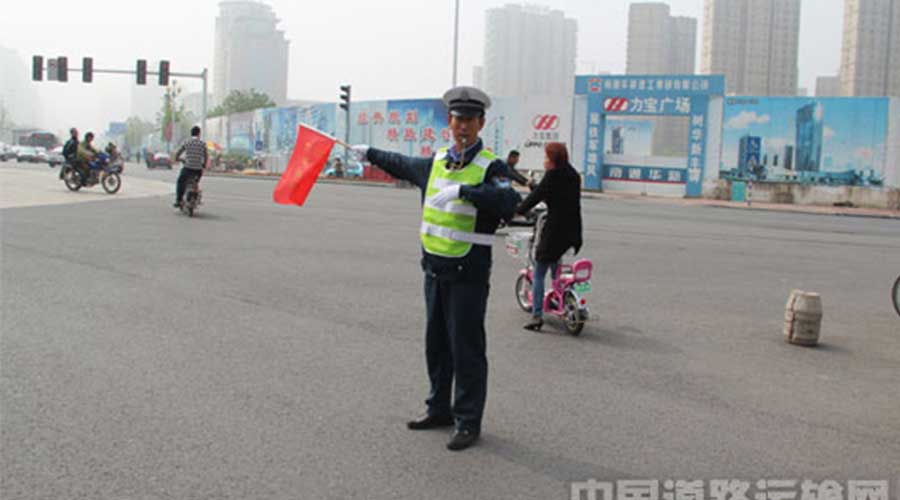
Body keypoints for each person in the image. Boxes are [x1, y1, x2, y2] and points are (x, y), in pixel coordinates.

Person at [350, 86, 520, 451]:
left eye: (470, 121)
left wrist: (466, 193)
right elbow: (403, 164)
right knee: (437, 345)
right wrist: (369, 153)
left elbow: (509, 202)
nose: (463, 127)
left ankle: (467, 420)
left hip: (468, 275)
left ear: (481, 123)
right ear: (450, 121)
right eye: (457, 119)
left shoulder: (492, 165)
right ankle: (439, 408)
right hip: (434, 270)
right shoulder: (438, 160)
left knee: (466, 349)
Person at [515, 142, 583, 331]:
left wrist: (517, 211)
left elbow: (537, 196)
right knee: (556, 267)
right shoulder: (574, 175)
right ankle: (560, 298)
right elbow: (551, 194)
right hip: (572, 230)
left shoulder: (552, 175)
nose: (544, 161)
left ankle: (537, 315)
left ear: (553, 160)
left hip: (554, 230)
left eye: (546, 158)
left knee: (538, 273)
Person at [173, 126, 208, 208]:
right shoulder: (202, 144)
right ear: (199, 134)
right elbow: (206, 156)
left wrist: (178, 159)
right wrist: (204, 164)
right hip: (198, 170)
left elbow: (178, 153)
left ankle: (178, 200)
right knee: (196, 182)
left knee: (180, 181)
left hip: (187, 168)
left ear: (191, 133)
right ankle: (196, 196)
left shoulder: (187, 142)